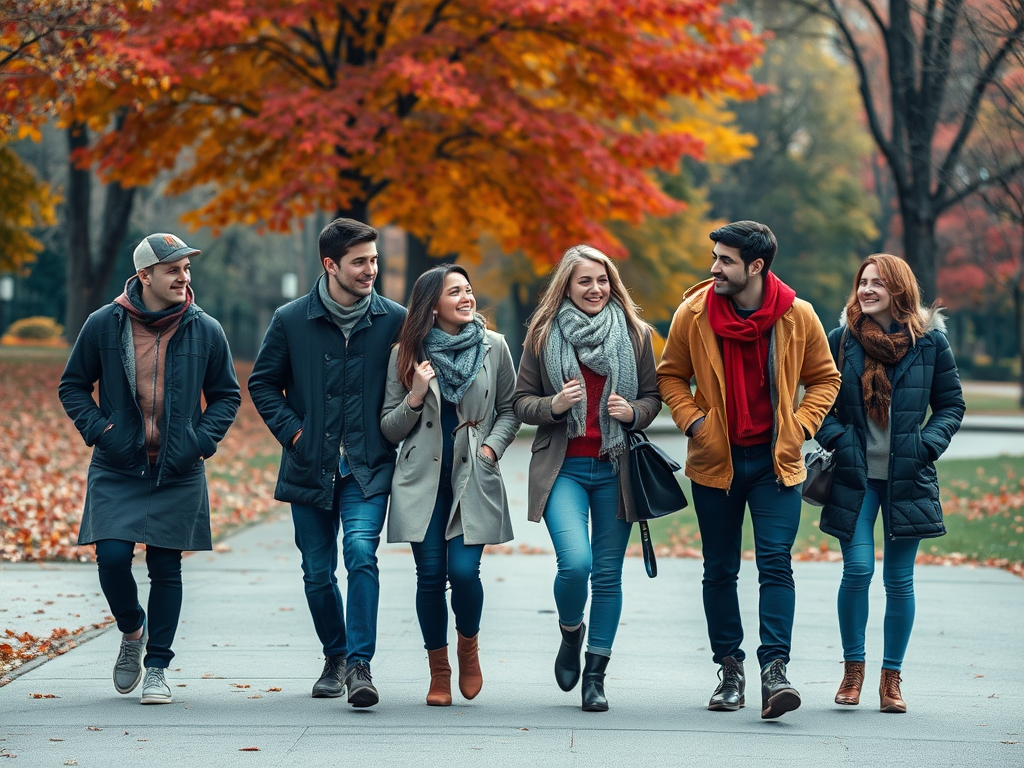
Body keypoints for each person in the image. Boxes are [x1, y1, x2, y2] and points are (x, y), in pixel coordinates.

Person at [657, 221, 840, 719]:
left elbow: (825, 379)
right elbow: (671, 375)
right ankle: (730, 669)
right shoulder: (692, 314)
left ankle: (775, 671)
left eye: (725, 260)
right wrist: (694, 422)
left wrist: (800, 426)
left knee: (775, 563)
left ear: (756, 266)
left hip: (775, 462)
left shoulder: (798, 316)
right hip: (715, 461)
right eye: (715, 257)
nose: (714, 267)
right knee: (719, 567)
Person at [58, 233, 240, 705]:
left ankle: (157, 665)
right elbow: (73, 386)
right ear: (145, 276)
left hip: (177, 468)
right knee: (112, 557)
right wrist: (103, 432)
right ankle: (132, 629)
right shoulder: (103, 324)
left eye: (186, 269)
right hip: (117, 464)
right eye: (173, 270)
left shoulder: (206, 329)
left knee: (166, 565)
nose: (184, 278)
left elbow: (226, 396)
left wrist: (199, 442)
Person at [247, 218, 406, 708]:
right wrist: (296, 434)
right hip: (308, 465)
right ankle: (334, 656)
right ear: (330, 264)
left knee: (360, 552)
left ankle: (360, 665)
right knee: (317, 571)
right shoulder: (292, 319)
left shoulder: (394, 319)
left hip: (368, 464)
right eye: (360, 261)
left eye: (375, 260)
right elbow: (262, 384)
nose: (370, 270)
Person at [512, 245, 662, 712]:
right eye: (584, 281)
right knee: (576, 564)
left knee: (610, 575)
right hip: (565, 468)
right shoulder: (542, 335)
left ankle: (595, 676)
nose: (595, 289)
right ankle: (570, 631)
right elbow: (520, 403)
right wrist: (552, 406)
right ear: (567, 286)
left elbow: (654, 397)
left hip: (615, 468)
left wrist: (634, 412)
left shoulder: (635, 334)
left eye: (602, 280)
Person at [816, 253, 964, 713]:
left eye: (878, 282)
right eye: (862, 282)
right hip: (855, 478)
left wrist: (926, 445)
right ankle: (853, 671)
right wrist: (842, 443)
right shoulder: (841, 341)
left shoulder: (930, 345)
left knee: (899, 581)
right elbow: (819, 404)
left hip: (907, 478)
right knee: (858, 570)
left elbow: (950, 405)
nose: (867, 290)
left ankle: (891, 679)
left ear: (899, 289)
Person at [380, 264, 520, 706]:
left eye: (468, 289)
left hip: (473, 476)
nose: (466, 297)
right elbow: (388, 427)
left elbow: (510, 409)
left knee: (463, 573)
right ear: (431, 305)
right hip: (422, 480)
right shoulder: (406, 353)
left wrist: (492, 449)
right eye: (454, 291)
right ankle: (438, 672)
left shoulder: (494, 347)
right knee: (430, 578)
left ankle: (468, 647)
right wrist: (415, 395)